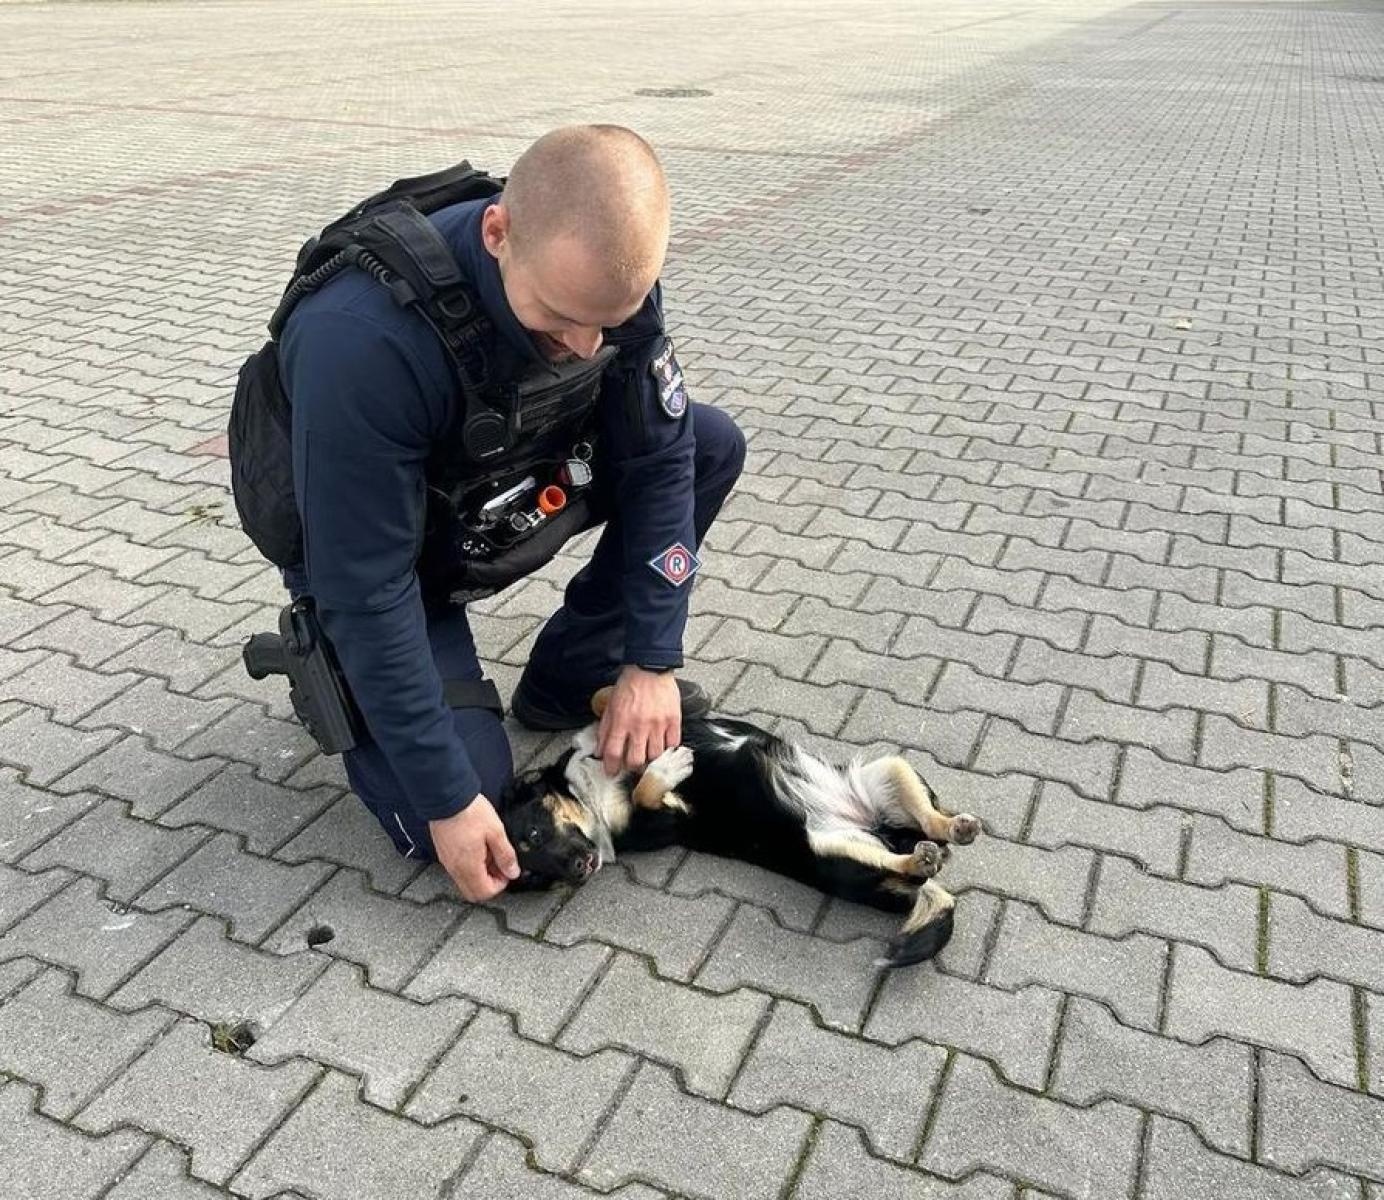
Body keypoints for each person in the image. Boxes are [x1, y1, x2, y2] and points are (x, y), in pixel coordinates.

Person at [258, 126, 745, 905]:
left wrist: (651, 658)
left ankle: (569, 679)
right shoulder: (360, 340)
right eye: (558, 318)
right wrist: (447, 800)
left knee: (708, 445)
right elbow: (368, 588)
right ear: (497, 234)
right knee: (470, 820)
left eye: (607, 325)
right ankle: (325, 661)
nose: (585, 345)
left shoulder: (601, 277)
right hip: (378, 553)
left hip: (492, 480)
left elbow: (660, 460)